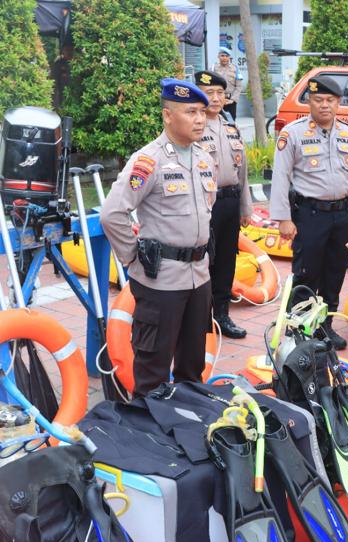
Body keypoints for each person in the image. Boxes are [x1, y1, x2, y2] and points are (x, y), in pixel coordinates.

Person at [101, 78, 216, 396]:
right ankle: (149, 436)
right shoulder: (148, 161)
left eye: (202, 112)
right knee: (152, 370)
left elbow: (206, 213)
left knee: (192, 369)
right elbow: (112, 214)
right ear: (168, 115)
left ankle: (188, 427)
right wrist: (134, 257)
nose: (199, 119)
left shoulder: (204, 160)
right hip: (161, 282)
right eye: (190, 112)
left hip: (198, 278)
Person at [270, 75, 348, 351]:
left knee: (335, 271)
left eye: (330, 100)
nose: (324, 105)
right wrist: (284, 219)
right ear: (309, 102)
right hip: (309, 215)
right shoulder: (293, 133)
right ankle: (297, 329)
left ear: (338, 103)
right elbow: (281, 176)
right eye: (318, 100)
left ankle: (325, 327)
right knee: (306, 273)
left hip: (342, 215)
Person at [194, 70, 253, 340]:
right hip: (204, 204)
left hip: (229, 202)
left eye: (220, 93)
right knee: (205, 260)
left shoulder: (231, 128)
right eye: (209, 93)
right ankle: (201, 318)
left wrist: (246, 207)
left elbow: (242, 172)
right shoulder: (193, 127)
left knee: (227, 262)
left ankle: (222, 315)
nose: (216, 98)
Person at [211, 48, 242, 121]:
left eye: (226, 56)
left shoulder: (235, 69)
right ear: (218, 57)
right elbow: (210, 85)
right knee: (216, 120)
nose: (224, 58)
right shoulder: (213, 69)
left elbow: (239, 86)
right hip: (217, 100)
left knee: (231, 122)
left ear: (229, 57)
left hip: (230, 101)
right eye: (222, 55)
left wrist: (233, 99)